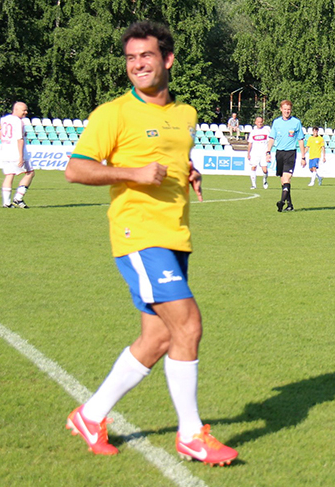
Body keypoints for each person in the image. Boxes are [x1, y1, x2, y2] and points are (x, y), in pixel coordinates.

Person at [64, 21, 238, 467]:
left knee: (158, 337)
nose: (138, 65)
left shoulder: (186, 113)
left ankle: (91, 414)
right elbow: (76, 170)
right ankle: (191, 434)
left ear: (167, 59)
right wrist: (133, 174)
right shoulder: (114, 114)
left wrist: (189, 171)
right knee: (189, 325)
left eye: (146, 56)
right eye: (131, 58)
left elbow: (175, 155)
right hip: (138, 234)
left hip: (176, 234)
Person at [266, 100, 305, 212]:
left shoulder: (296, 122)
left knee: (287, 177)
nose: (287, 111)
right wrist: (268, 152)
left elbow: (301, 140)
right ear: (281, 109)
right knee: (283, 181)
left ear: (291, 110)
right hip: (279, 153)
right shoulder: (276, 122)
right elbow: (272, 138)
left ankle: (281, 202)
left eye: (288, 109)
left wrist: (303, 157)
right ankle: (290, 205)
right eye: (285, 109)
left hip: (290, 153)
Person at [0, 102, 33, 208]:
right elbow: (20, 139)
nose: (26, 112)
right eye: (24, 110)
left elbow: (1, 132)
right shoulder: (18, 121)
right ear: (16, 109)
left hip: (5, 151)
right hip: (15, 152)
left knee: (9, 175)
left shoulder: (4, 119)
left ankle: (6, 202)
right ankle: (18, 198)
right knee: (30, 173)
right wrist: (21, 156)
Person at [247, 116, 271, 189]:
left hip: (263, 153)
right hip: (255, 153)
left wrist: (268, 153)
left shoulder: (266, 131)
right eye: (258, 122)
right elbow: (250, 143)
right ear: (255, 122)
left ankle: (265, 180)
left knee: (265, 170)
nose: (260, 123)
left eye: (261, 122)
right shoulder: (253, 132)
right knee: (253, 167)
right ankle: (253, 184)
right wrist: (248, 153)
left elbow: (269, 142)